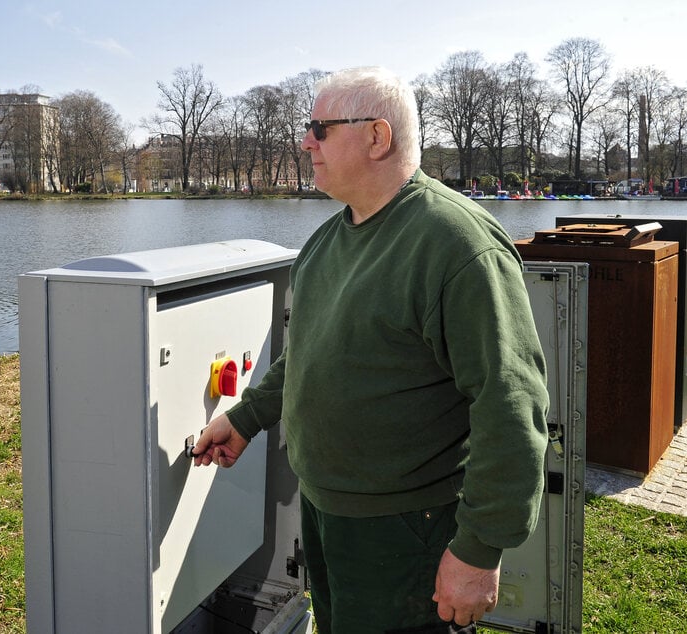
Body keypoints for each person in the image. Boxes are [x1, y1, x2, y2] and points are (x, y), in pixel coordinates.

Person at [192, 66, 549, 634]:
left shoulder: (455, 245)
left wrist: (478, 551)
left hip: (408, 528)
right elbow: (309, 355)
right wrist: (246, 417)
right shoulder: (326, 242)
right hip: (328, 513)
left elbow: (512, 407)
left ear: (378, 137)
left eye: (319, 128)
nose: (305, 141)